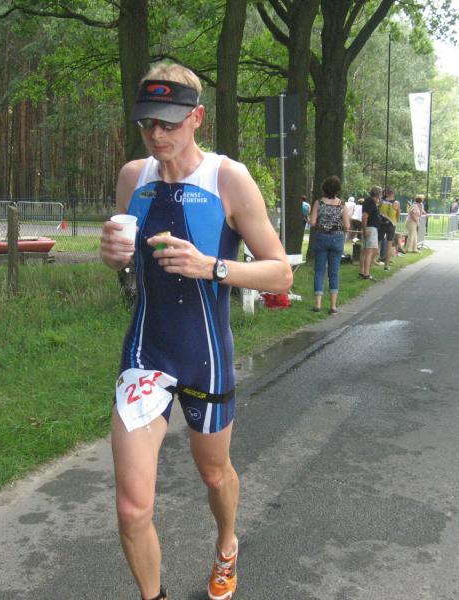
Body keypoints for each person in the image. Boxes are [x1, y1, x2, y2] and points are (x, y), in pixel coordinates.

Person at [99, 62, 292, 600]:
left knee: (215, 475)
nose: (156, 134)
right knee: (132, 507)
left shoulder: (228, 179)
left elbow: (280, 272)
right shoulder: (132, 177)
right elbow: (121, 255)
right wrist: (111, 254)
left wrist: (213, 267)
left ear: (197, 118)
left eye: (168, 122)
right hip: (146, 354)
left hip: (206, 356)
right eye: (147, 123)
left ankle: (227, 543)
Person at [308, 176, 349, 314]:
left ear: (324, 188)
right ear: (338, 189)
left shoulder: (318, 203)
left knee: (319, 271)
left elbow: (312, 222)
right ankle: (333, 306)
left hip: (321, 238)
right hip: (337, 239)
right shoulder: (342, 204)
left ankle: (318, 304)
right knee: (334, 272)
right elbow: (347, 225)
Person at [359, 186, 381, 281]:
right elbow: (364, 216)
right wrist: (364, 230)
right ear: (378, 194)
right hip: (370, 228)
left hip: (370, 228)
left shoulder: (370, 201)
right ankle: (366, 273)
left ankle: (362, 271)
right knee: (370, 251)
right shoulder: (370, 202)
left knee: (367, 251)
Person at [377, 187, 400, 270]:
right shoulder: (396, 203)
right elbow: (397, 215)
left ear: (386, 193)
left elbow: (378, 210)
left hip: (381, 224)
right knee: (389, 244)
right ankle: (386, 265)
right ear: (393, 193)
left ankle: (374, 260)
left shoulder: (381, 201)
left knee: (378, 242)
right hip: (391, 224)